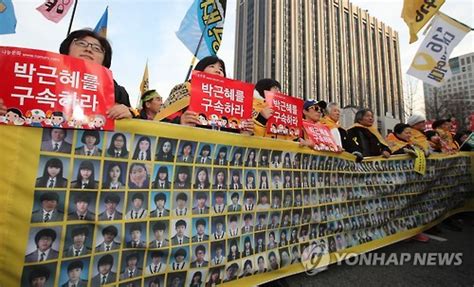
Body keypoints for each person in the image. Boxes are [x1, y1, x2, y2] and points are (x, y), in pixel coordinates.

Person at [158, 56, 254, 134]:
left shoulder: (232, 99)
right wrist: (180, 122)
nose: (218, 71)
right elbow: (161, 121)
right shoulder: (184, 89)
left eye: (221, 69)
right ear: (199, 70)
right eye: (212, 66)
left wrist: (242, 131)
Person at [59, 29, 135, 119]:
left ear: (104, 61)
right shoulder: (44, 77)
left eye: (97, 48)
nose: (88, 49)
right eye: (81, 43)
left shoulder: (117, 92)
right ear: (67, 49)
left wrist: (129, 113)